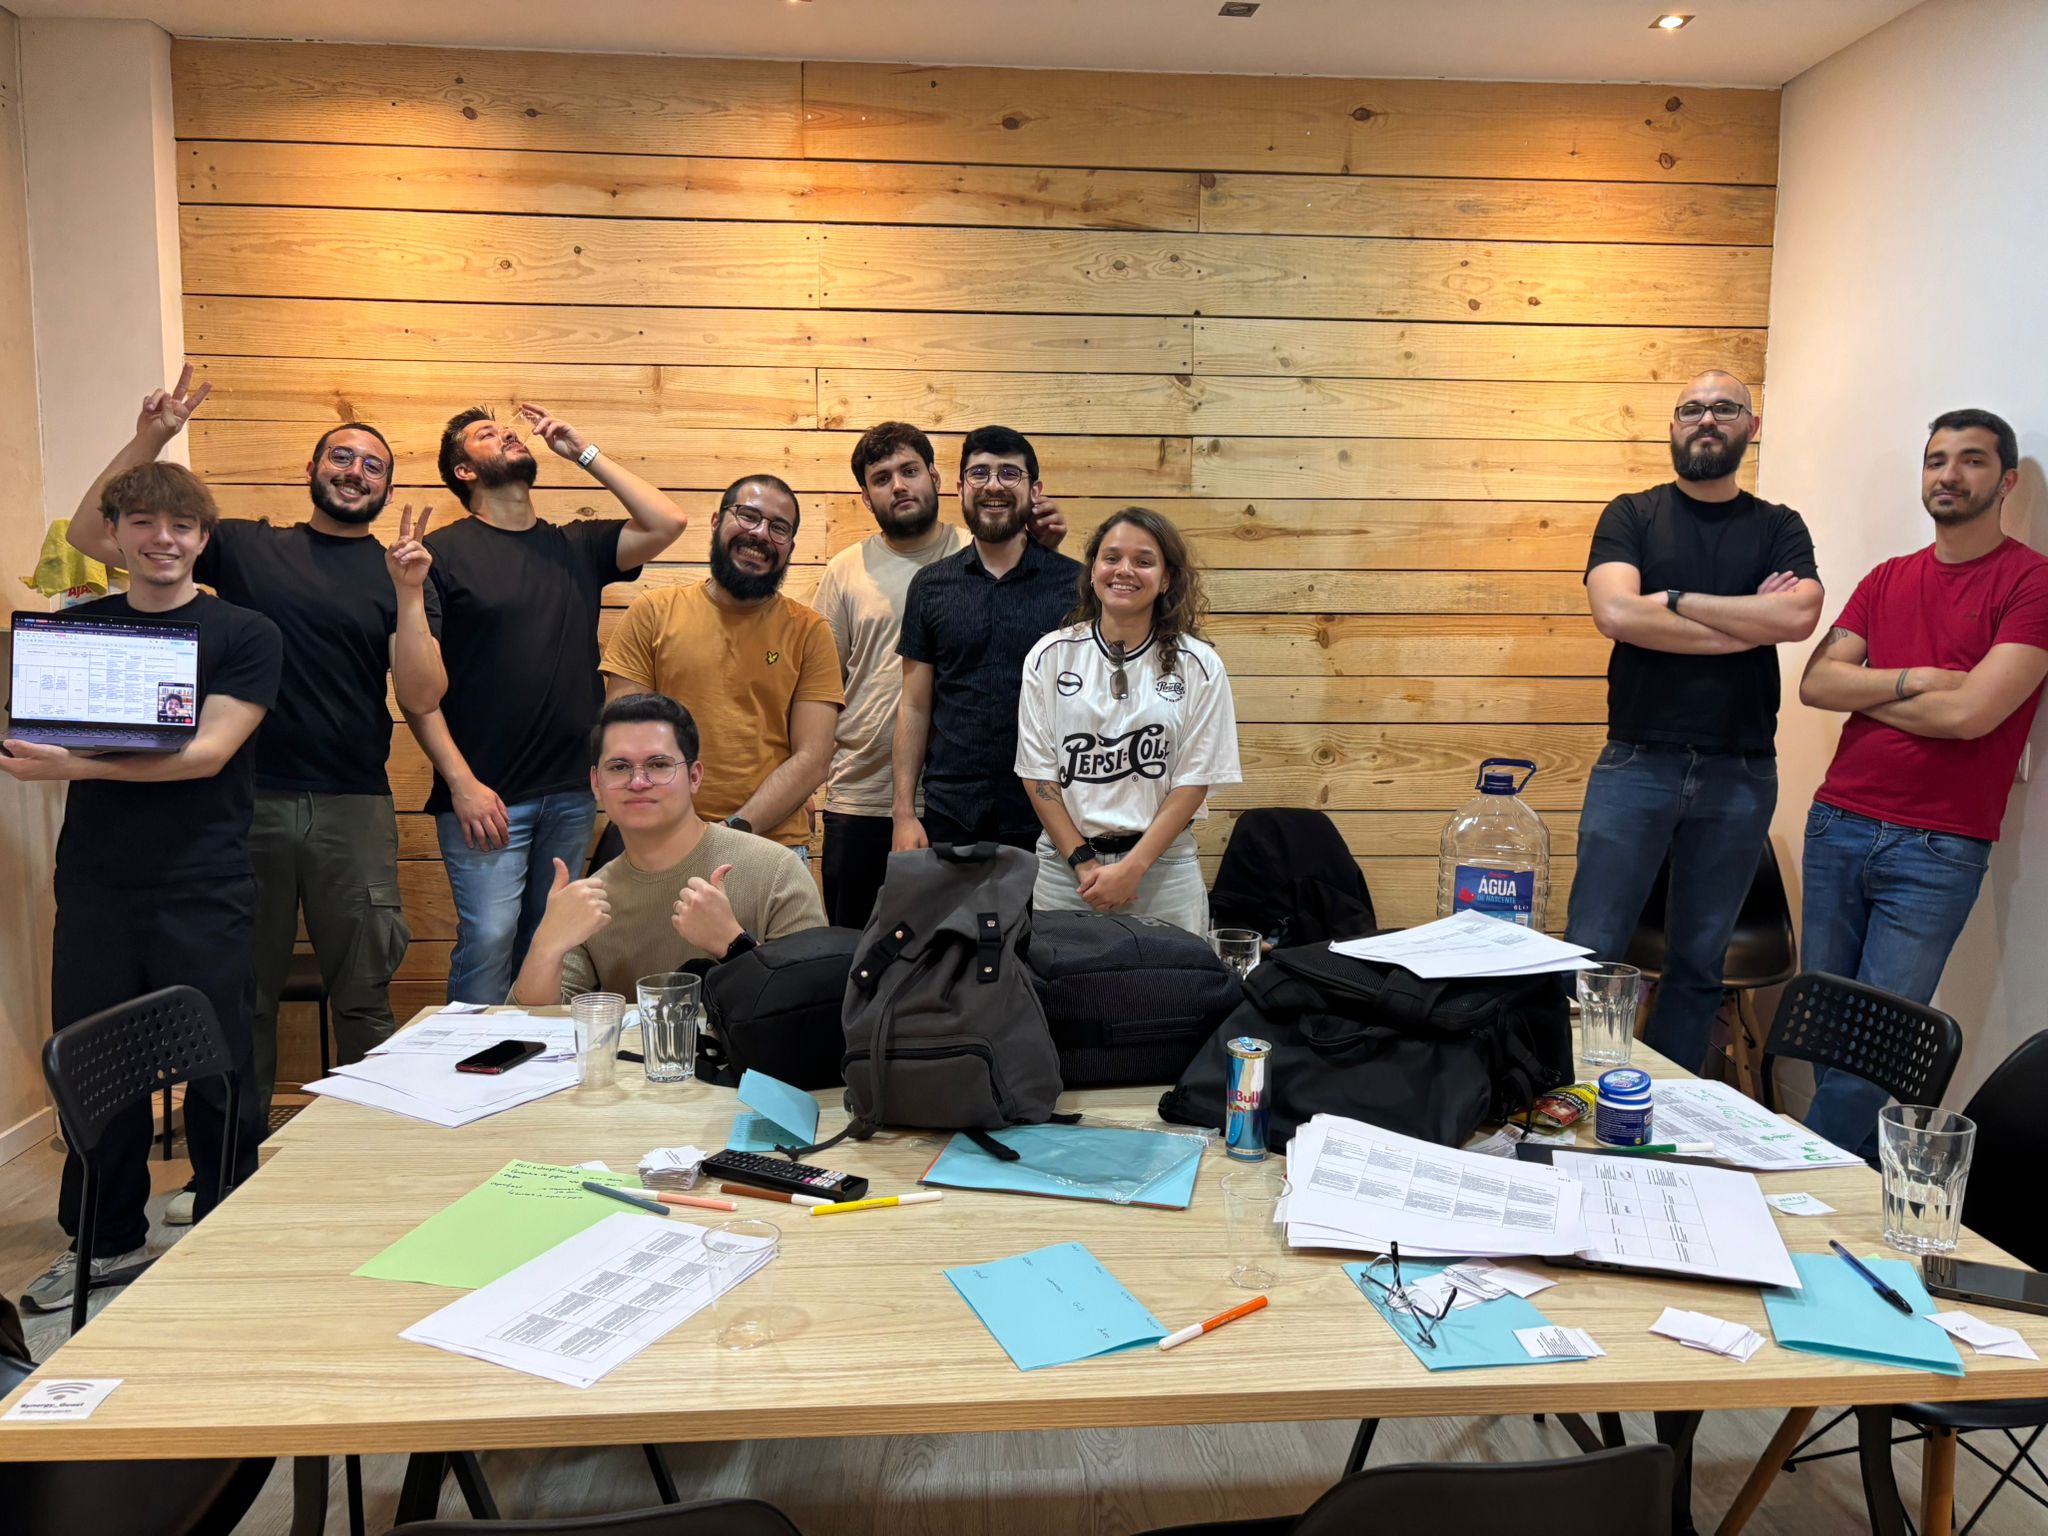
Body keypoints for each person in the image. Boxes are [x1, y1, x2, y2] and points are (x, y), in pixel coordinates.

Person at [63, 368, 445, 1165]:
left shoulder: (401, 568)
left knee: (365, 990)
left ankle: (367, 1152)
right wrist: (152, 438)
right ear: (313, 471)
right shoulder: (244, 544)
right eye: (341, 456)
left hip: (354, 803)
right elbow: (93, 538)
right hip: (245, 800)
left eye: (374, 466)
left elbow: (420, 693)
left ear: (387, 488)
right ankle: (243, 1168)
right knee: (244, 999)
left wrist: (411, 596)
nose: (355, 472)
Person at [4, 455, 280, 1315]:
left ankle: (227, 1221)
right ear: (117, 536)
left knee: (219, 1062)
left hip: (205, 878)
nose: (164, 539)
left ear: (202, 539)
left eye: (182, 526)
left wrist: (72, 765)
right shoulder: (84, 626)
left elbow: (206, 755)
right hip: (95, 882)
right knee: (94, 1066)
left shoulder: (245, 633)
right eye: (145, 524)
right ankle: (106, 1239)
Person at [1796, 409, 2048, 1152]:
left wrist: (1872, 691)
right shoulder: (1888, 578)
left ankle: (1805, 1191)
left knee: (1878, 1045)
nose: (1949, 475)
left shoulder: (2031, 583)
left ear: (2003, 482)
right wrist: (1919, 680)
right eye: (1937, 460)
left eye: (1971, 461)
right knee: (1827, 1034)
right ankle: (1840, 1192)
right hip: (1838, 823)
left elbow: (1974, 714)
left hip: (1937, 847)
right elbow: (1815, 683)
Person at [1564, 370, 1824, 1075]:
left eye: (1724, 409)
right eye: (1691, 409)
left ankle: (1664, 1104)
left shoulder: (1779, 527)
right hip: (1636, 764)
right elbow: (1616, 613)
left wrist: (1672, 600)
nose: (1706, 420)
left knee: (1700, 964)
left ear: (1751, 426)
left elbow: (1798, 615)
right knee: (1589, 952)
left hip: (1739, 772)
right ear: (1673, 426)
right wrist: (1747, 620)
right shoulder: (1632, 514)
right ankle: (1566, 1095)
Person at [407, 403, 686, 1003]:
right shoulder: (439, 555)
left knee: (551, 943)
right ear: (463, 471)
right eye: (488, 435)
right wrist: (461, 783)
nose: (507, 435)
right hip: (486, 798)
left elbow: (668, 521)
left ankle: (532, 1084)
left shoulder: (574, 546)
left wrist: (581, 449)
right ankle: (466, 1086)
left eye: (509, 430)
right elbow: (417, 698)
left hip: (569, 792)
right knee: (489, 940)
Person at [813, 421, 1066, 926]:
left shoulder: (1025, 566)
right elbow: (824, 689)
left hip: (1008, 804)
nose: (899, 485)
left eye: (909, 471)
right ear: (866, 497)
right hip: (877, 796)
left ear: (934, 478)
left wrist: (1045, 543)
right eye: (881, 478)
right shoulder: (858, 572)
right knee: (871, 948)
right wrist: (809, 783)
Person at [512, 693, 826, 1004]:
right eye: (619, 767)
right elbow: (533, 1024)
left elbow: (816, 1007)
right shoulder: (593, 901)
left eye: (658, 764)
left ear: (693, 776)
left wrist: (734, 945)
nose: (637, 782)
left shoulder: (776, 871)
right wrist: (546, 945)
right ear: (596, 783)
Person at [1017, 507, 1241, 935]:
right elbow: (1038, 774)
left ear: (1167, 579)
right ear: (1093, 570)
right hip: (1066, 871)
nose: (1124, 571)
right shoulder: (1048, 656)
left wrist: (1132, 868)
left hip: (1162, 871)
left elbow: (1194, 782)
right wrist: (1083, 864)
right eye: (1112, 557)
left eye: (1143, 561)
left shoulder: (1200, 665)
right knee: (1066, 999)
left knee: (1171, 999)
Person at [601, 474, 842, 860]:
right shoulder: (652, 612)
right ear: (716, 522)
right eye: (748, 516)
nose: (761, 533)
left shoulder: (810, 632)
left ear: (790, 547)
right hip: (659, 843)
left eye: (779, 528)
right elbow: (623, 738)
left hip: (770, 848)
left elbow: (813, 758)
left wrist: (729, 832)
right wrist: (679, 831)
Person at [893, 425, 1084, 853]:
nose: (993, 485)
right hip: (952, 812)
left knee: (1052, 925)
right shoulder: (930, 586)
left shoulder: (1076, 586)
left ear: (1035, 490)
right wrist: (904, 813)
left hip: (1053, 815)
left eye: (1009, 474)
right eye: (979, 473)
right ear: (960, 487)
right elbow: (913, 704)